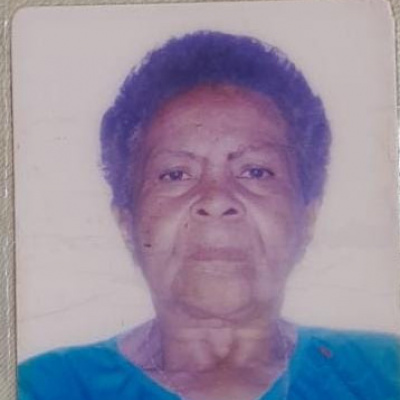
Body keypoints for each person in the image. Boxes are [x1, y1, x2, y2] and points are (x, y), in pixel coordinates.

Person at [18, 30, 400, 400]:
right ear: (127, 225)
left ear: (308, 219)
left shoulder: (385, 373)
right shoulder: (40, 388)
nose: (216, 199)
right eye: (176, 174)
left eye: (255, 171)